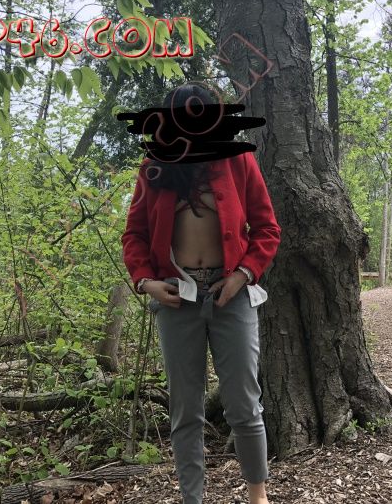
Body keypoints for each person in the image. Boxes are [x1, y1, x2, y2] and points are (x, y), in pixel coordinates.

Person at [121, 83, 281, 504]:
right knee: (185, 411)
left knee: (244, 404)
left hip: (232, 295)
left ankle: (258, 497)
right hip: (177, 299)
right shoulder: (155, 166)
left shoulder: (238, 160)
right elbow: (134, 235)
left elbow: (267, 228)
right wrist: (145, 281)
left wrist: (243, 274)